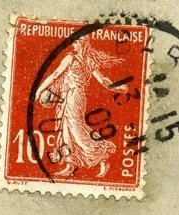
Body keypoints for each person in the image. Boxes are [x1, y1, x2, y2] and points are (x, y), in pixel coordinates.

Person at [36, 36, 129, 177]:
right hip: (69, 97)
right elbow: (104, 81)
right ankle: (70, 164)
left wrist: (38, 91)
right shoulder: (87, 61)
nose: (74, 44)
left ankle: (102, 156)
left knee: (76, 129)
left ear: (83, 44)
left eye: (77, 42)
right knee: (66, 128)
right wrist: (118, 88)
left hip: (73, 97)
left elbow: (55, 75)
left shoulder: (71, 59)